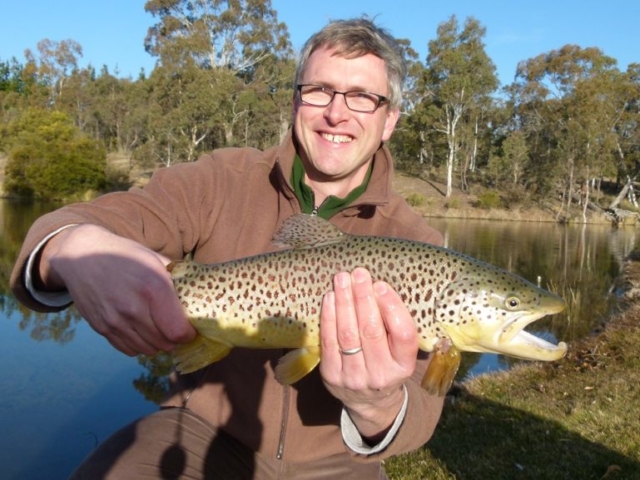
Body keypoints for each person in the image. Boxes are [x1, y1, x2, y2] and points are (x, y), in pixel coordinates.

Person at [11, 17, 445, 480]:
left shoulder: (420, 245)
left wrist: (377, 405)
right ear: (297, 100)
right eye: (320, 89)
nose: (337, 113)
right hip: (199, 431)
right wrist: (74, 245)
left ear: (388, 121)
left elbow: (420, 414)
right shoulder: (221, 179)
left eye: (362, 97)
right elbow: (67, 226)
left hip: (340, 461)